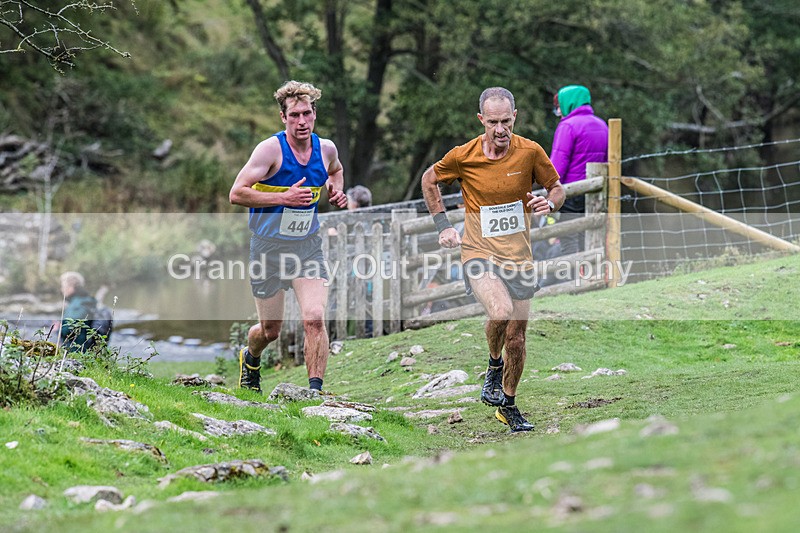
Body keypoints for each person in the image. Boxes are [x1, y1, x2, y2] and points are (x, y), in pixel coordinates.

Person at [421, 87, 565, 433]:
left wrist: (551, 203)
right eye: (493, 122)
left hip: (519, 257)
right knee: (500, 312)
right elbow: (429, 180)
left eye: (506, 122)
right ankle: (492, 366)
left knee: (517, 337)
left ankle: (509, 405)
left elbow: (557, 187)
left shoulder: (530, 152)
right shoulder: (463, 155)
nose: (500, 130)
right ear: (481, 120)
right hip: (478, 252)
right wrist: (443, 226)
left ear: (515, 116)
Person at [229, 80, 348, 393]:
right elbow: (237, 193)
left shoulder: (326, 149)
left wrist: (337, 190)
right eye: (294, 115)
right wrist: (284, 199)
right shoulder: (270, 150)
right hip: (266, 248)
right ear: (283, 117)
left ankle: (314, 394)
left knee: (314, 318)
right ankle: (250, 356)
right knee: (270, 331)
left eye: (307, 113)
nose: (302, 122)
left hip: (307, 247)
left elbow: (336, 170)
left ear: (314, 114)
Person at [550, 85, 608, 256]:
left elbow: (557, 167)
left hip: (570, 194)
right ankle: (589, 276)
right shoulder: (602, 124)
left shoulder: (567, 126)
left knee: (568, 238)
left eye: (559, 106)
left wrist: (548, 188)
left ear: (569, 103)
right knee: (588, 236)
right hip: (594, 192)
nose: (558, 111)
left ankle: (571, 278)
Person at [59, 271, 111, 352]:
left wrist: (58, 329)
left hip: (76, 351)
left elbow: (69, 328)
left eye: (63, 286)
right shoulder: (88, 300)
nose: (61, 289)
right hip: (87, 350)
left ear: (71, 286)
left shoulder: (76, 305)